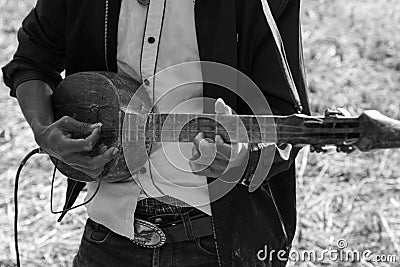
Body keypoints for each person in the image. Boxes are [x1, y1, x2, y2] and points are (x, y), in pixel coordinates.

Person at [2, 0, 310, 266]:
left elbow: (285, 120)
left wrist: (242, 158)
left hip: (218, 242)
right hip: (108, 235)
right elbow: (33, 60)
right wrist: (44, 132)